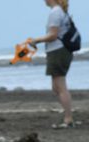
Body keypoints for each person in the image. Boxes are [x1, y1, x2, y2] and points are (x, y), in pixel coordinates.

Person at [29, 0, 75, 128]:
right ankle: (68, 116)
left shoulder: (55, 12)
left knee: (60, 87)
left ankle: (68, 119)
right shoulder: (61, 12)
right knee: (56, 88)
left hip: (58, 51)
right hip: (60, 51)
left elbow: (53, 35)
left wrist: (36, 40)